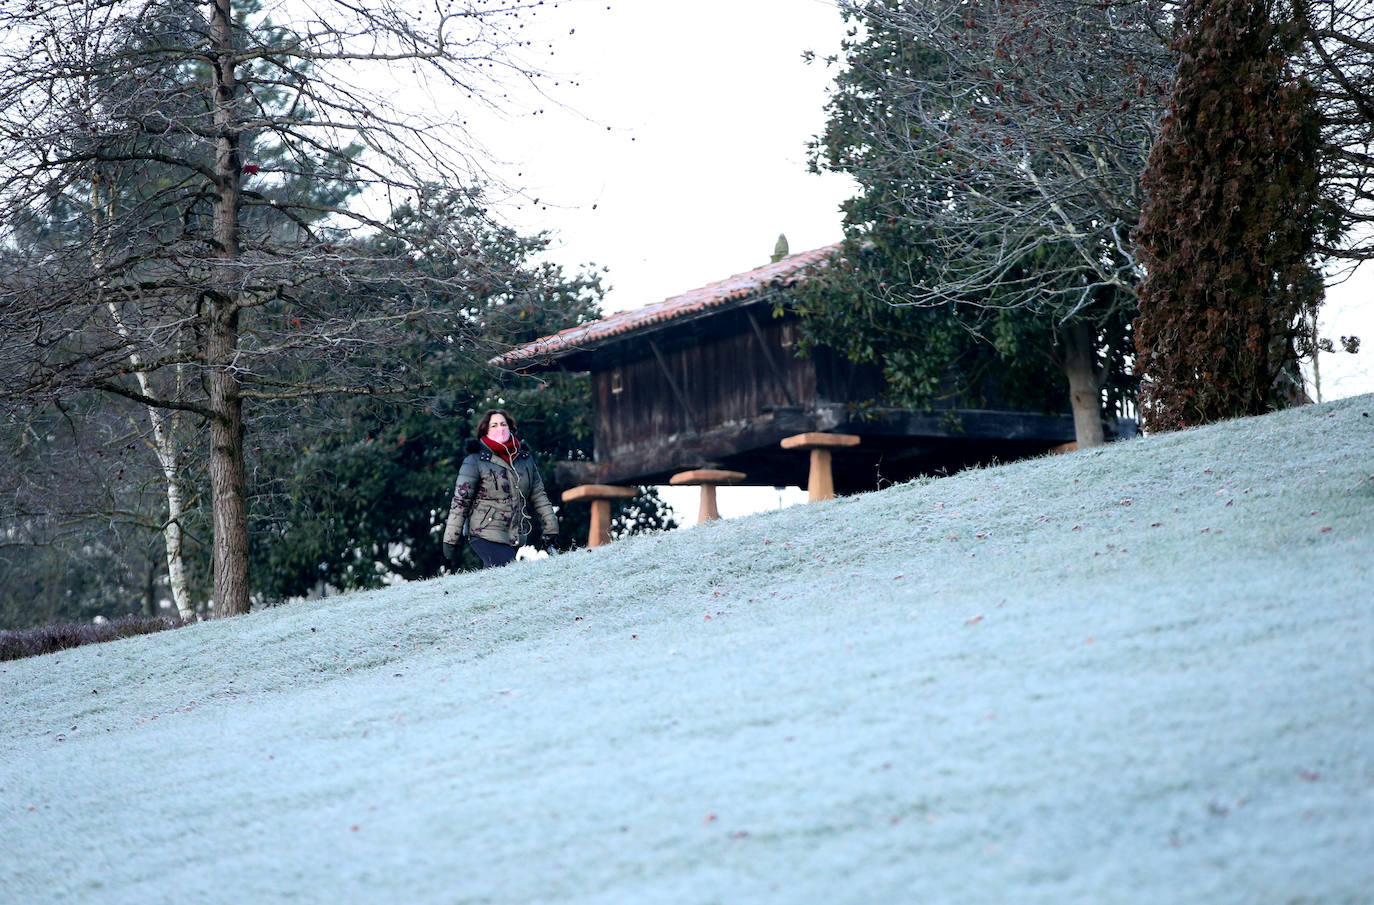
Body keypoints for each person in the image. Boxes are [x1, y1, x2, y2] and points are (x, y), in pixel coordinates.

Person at [443, 409, 559, 569]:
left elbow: (539, 495)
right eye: (494, 425)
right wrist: (450, 539)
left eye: (503, 424)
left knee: (496, 579)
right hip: (483, 532)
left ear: (510, 428)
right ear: (486, 430)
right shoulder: (475, 461)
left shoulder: (524, 460)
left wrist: (551, 529)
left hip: (513, 534)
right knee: (508, 570)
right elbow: (460, 501)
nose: (500, 428)